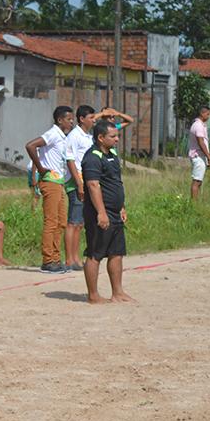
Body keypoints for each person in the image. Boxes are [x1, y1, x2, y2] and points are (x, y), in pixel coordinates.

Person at [81, 121, 132, 304]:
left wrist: (121, 206)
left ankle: (118, 292)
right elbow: (93, 185)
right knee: (95, 254)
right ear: (101, 138)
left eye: (117, 136)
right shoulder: (92, 157)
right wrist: (101, 213)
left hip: (115, 212)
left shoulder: (112, 154)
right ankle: (93, 295)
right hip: (100, 213)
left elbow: (115, 183)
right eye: (113, 136)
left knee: (116, 253)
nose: (117, 139)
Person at [25, 106, 75, 273]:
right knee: (51, 222)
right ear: (60, 120)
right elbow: (31, 145)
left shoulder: (63, 137)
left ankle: (55, 258)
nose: (71, 122)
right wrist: (39, 168)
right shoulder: (53, 134)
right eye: (69, 119)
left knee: (61, 222)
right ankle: (48, 260)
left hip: (58, 182)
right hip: (50, 182)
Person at [63, 105, 98, 270]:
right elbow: (70, 160)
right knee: (73, 221)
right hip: (76, 181)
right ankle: (69, 259)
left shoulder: (88, 137)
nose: (94, 120)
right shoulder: (74, 136)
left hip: (85, 180)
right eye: (91, 117)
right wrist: (79, 183)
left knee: (79, 223)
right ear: (82, 119)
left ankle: (76, 257)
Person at [188, 105, 210, 200]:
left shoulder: (198, 124)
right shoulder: (198, 126)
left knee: (199, 181)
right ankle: (193, 205)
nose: (208, 116)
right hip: (198, 156)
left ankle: (195, 202)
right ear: (202, 113)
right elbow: (201, 142)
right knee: (196, 182)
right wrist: (209, 158)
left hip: (199, 156)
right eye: (207, 114)